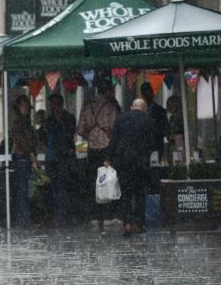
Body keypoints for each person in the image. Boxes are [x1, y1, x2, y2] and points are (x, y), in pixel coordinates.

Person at [106, 98, 158, 236]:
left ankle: (127, 223)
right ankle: (139, 223)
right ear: (144, 108)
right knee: (140, 193)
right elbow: (153, 143)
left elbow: (114, 141)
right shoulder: (149, 121)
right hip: (141, 164)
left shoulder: (120, 119)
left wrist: (109, 159)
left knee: (126, 194)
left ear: (131, 107)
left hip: (123, 163)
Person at [77, 81, 120, 229]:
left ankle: (95, 214)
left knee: (93, 182)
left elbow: (80, 130)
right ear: (107, 90)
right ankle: (108, 214)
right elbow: (116, 128)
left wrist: (91, 134)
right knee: (108, 180)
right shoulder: (110, 106)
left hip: (92, 149)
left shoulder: (87, 105)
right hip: (107, 148)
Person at [41, 94, 78, 228]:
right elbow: (42, 139)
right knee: (55, 189)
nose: (54, 107)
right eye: (52, 105)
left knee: (65, 188)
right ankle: (59, 216)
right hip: (54, 160)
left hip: (66, 159)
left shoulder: (69, 119)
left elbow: (69, 135)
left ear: (61, 104)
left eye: (56, 104)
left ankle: (64, 216)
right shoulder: (48, 122)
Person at [9, 94, 41, 229]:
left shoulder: (26, 123)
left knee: (25, 191)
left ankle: (24, 219)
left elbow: (32, 140)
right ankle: (23, 221)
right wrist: (31, 155)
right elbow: (21, 142)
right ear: (18, 108)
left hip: (26, 158)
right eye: (23, 106)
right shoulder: (17, 123)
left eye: (27, 106)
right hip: (22, 158)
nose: (26, 109)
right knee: (22, 191)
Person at [141, 82, 168, 162]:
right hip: (142, 145)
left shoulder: (159, 110)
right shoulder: (139, 109)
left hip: (155, 144)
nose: (147, 95)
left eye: (149, 92)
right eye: (145, 93)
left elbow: (164, 127)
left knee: (155, 166)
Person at [166, 95, 185, 163]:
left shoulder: (179, 116)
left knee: (179, 159)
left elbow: (176, 130)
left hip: (179, 141)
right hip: (176, 142)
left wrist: (172, 135)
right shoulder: (173, 117)